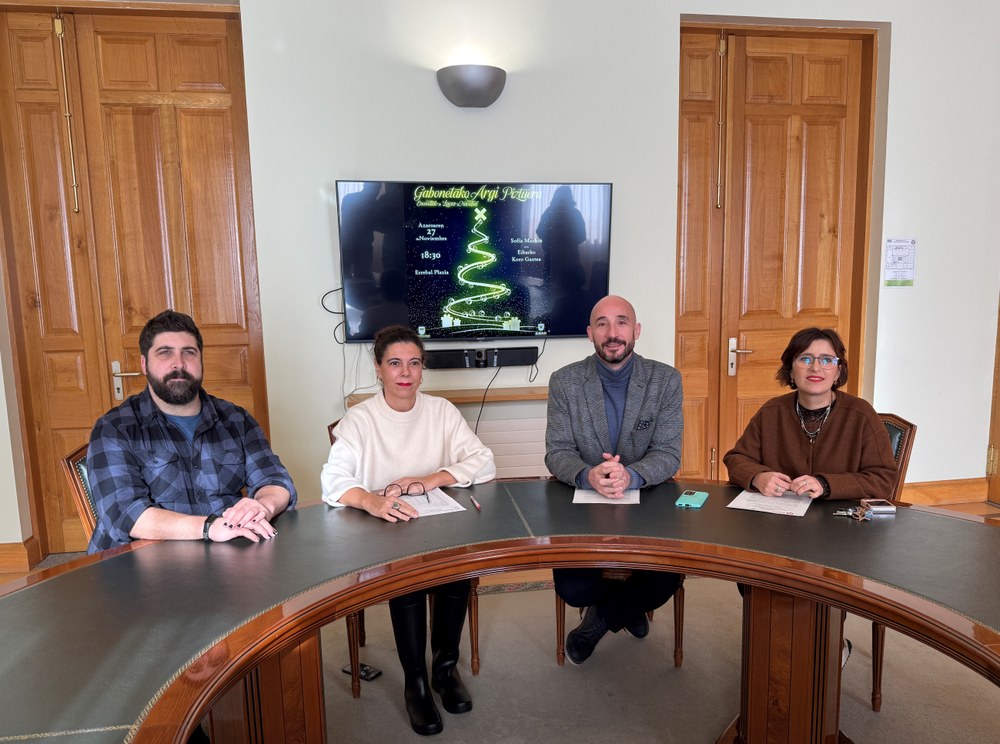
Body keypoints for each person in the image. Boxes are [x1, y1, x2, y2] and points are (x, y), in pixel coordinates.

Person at [320, 324, 496, 736]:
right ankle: (415, 684)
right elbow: (332, 481)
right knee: (410, 580)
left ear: (423, 370)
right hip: (382, 531)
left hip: (436, 524)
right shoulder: (359, 419)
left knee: (455, 570)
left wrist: (430, 479)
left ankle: (444, 670)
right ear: (378, 369)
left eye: (414, 363)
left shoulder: (441, 411)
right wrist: (373, 500)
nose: (405, 373)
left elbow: (484, 462)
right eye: (395, 363)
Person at [545, 295, 684, 665]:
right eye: (602, 324)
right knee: (573, 586)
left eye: (621, 322)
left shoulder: (666, 380)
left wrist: (632, 475)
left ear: (636, 331)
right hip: (584, 503)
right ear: (590, 333)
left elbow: (669, 453)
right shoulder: (565, 382)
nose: (612, 333)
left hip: (647, 500)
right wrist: (588, 474)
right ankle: (626, 608)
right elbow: (556, 452)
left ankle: (599, 622)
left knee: (664, 579)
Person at [86, 310, 296, 554]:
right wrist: (209, 528)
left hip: (226, 552)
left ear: (201, 360)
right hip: (139, 564)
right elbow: (124, 513)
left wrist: (263, 507)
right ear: (144, 364)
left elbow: (275, 480)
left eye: (189, 352)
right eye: (165, 353)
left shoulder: (236, 419)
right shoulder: (115, 428)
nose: (179, 363)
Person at [723, 327, 897, 502]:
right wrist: (757, 477)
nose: (815, 368)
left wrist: (825, 484)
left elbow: (883, 479)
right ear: (790, 370)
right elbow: (737, 459)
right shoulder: (771, 411)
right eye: (805, 359)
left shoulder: (862, 414)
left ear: (837, 372)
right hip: (779, 519)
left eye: (827, 360)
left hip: (839, 520)